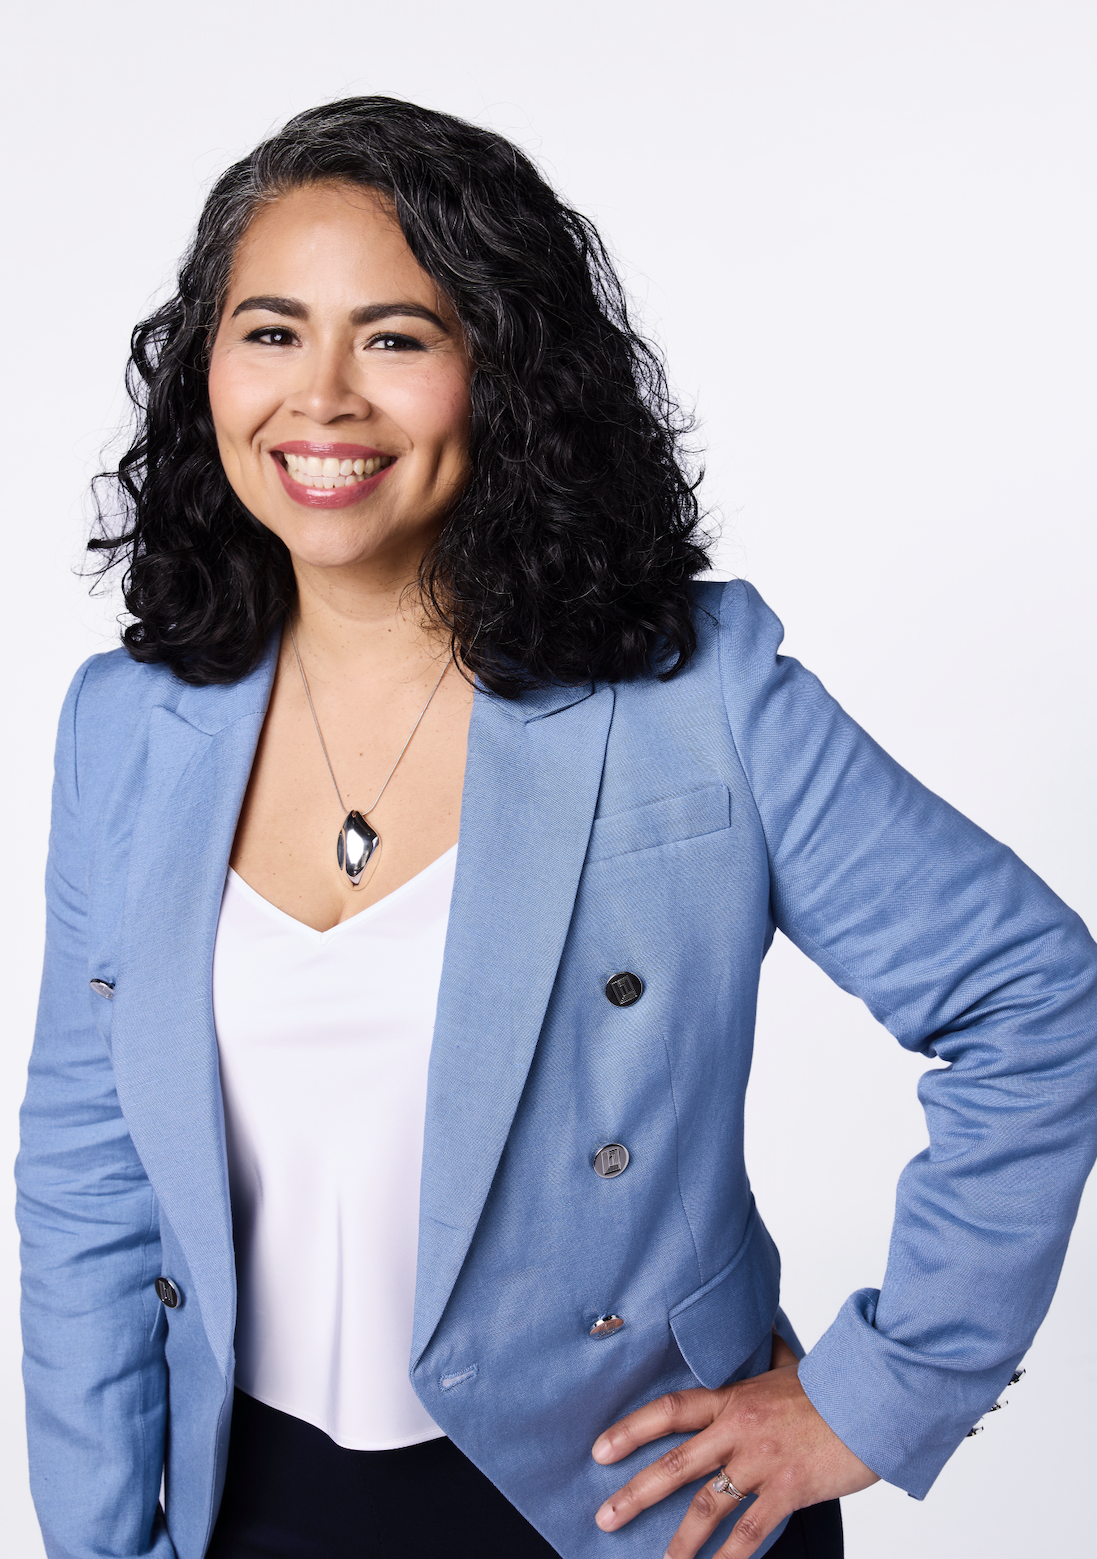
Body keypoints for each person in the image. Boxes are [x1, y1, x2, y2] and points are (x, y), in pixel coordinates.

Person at [16, 95, 1097, 1559]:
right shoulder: (129, 726)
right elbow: (90, 1167)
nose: (321, 399)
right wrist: (99, 1540)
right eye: (271, 331)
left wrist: (879, 1396)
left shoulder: (694, 696)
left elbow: (1034, 994)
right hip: (247, 1502)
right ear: (208, 364)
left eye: (395, 339)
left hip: (635, 1508)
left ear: (506, 371)